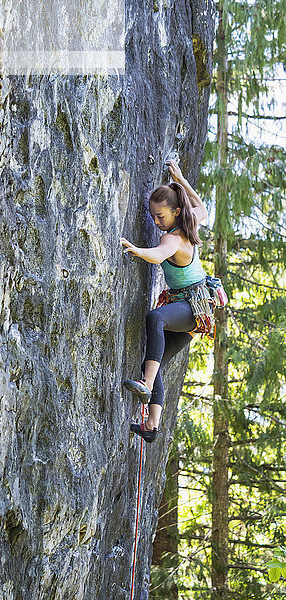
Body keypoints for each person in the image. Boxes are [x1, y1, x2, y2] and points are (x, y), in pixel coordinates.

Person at [120, 160, 210, 443]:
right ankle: (152, 427)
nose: (156, 221)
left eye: (161, 216)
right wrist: (180, 179)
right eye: (153, 216)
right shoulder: (189, 222)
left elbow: (159, 255)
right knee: (154, 360)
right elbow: (203, 208)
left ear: (175, 212)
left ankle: (146, 384)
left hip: (192, 306)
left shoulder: (173, 239)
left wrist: (137, 250)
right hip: (195, 309)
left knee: (155, 318)